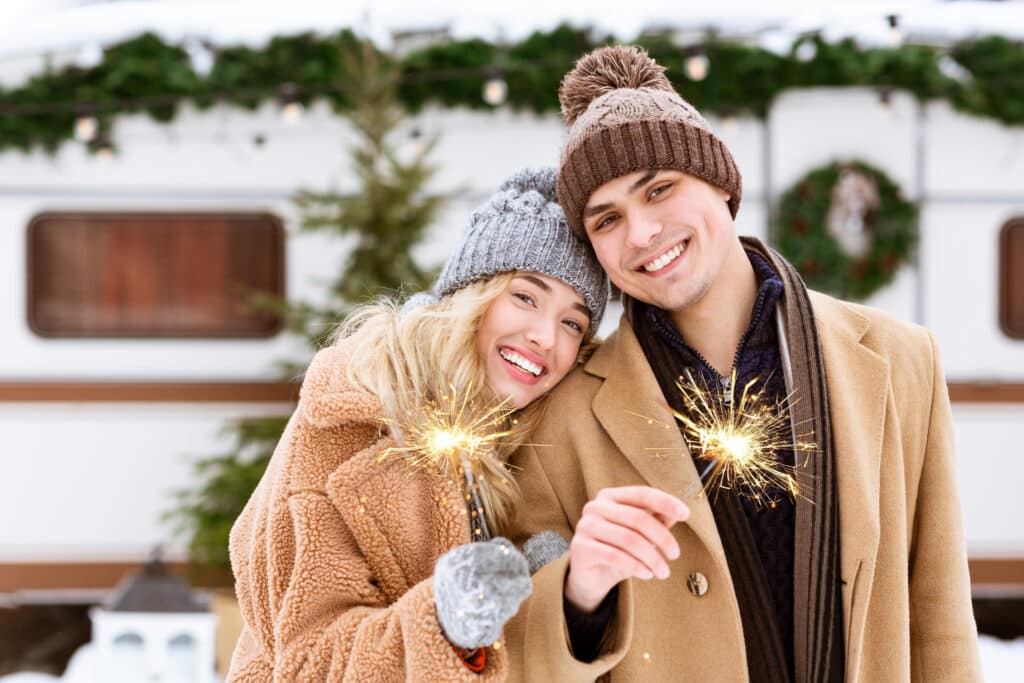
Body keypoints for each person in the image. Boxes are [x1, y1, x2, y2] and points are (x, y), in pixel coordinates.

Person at [502, 46, 982, 682]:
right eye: (608, 219)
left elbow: (940, 616)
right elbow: (519, 656)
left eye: (660, 189)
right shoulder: (562, 414)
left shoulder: (900, 359)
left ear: (722, 183)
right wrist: (578, 597)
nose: (641, 233)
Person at [224, 167, 608, 681]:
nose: (545, 336)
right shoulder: (354, 415)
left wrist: (553, 598)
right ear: (473, 293)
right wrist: (446, 619)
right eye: (525, 297)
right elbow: (307, 662)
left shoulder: (526, 435)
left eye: (572, 323)